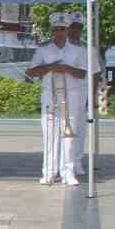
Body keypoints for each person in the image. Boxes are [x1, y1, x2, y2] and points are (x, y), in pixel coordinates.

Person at [26, 13, 86, 186]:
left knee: (69, 136)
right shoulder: (43, 49)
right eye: (57, 29)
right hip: (49, 94)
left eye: (63, 29)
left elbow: (83, 73)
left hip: (71, 95)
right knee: (50, 135)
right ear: (53, 31)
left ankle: (68, 172)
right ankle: (49, 172)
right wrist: (51, 67)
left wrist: (66, 68)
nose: (60, 32)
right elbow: (31, 72)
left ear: (68, 30)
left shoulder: (78, 50)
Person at [67, 12, 101, 176]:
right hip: (63, 94)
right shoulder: (59, 47)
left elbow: (95, 74)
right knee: (63, 130)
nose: (75, 30)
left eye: (79, 27)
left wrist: (93, 96)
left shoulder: (89, 49)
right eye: (73, 27)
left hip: (82, 93)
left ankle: (77, 161)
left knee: (79, 129)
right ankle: (63, 163)